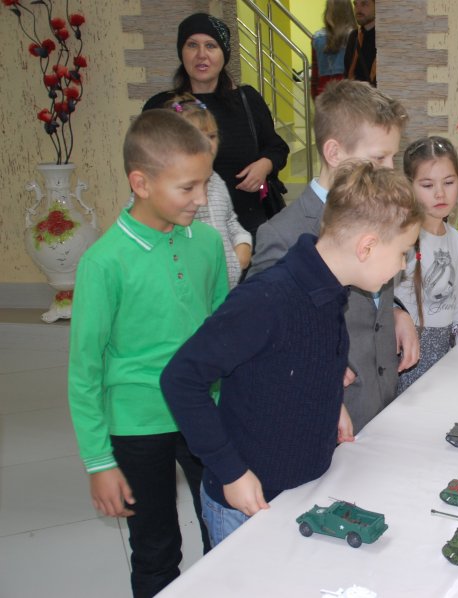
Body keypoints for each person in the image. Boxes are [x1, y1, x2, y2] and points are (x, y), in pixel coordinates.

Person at [161, 162, 423, 546]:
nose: (403, 264)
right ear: (366, 247)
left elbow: (300, 360)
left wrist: (330, 402)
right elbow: (181, 379)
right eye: (402, 252)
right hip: (247, 503)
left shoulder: (331, 287)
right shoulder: (266, 300)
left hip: (300, 491)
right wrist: (231, 472)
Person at [67, 110, 228, 597]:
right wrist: (99, 462)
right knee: (156, 550)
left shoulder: (208, 243)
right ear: (140, 183)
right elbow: (84, 371)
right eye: (188, 187)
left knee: (225, 530)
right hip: (136, 424)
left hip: (204, 412)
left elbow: (223, 335)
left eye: (205, 183)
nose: (201, 199)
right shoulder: (103, 263)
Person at [249, 80, 416, 434]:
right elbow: (262, 333)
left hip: (383, 400)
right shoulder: (283, 235)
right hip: (328, 417)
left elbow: (373, 292)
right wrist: (311, 363)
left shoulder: (380, 213)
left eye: (393, 157)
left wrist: (396, 310)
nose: (390, 168)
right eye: (379, 158)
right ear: (334, 153)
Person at [143, 13, 289, 237]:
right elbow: (144, 167)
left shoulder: (247, 100)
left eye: (211, 46)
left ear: (224, 54)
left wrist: (265, 165)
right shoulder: (162, 107)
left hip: (249, 230)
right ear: (181, 52)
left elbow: (277, 147)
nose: (201, 54)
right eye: (192, 45)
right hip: (184, 235)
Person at [395, 137, 458, 394]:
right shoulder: (401, 240)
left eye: (448, 182)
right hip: (406, 354)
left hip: (446, 353)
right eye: (428, 185)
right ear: (410, 186)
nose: (440, 193)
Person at [168, 94, 252, 288]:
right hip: (193, 288)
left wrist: (243, 243)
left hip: (226, 287)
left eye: (212, 136)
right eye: (197, 136)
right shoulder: (169, 190)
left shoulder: (216, 180)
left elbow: (229, 219)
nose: (207, 144)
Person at [311, 0, 356, 98]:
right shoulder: (355, 36)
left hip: (323, 90)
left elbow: (315, 73)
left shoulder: (317, 37)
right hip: (349, 91)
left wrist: (314, 95)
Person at [344, 0, 376, 86]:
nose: (358, 9)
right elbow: (347, 73)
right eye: (355, 4)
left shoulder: (389, 38)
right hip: (356, 92)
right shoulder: (354, 36)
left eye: (364, 4)